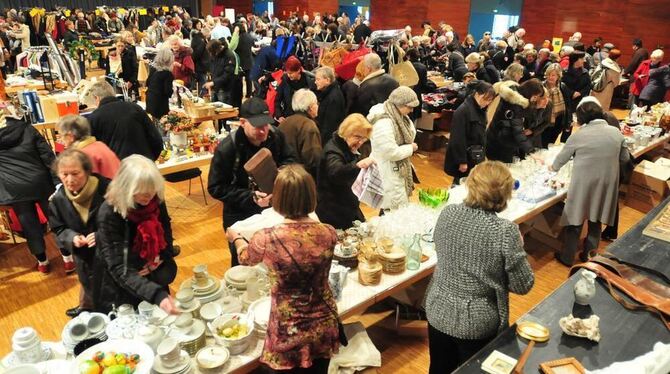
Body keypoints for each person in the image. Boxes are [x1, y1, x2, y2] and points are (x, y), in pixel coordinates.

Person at [227, 165, 339, 373]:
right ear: (311, 194)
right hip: (324, 321)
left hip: (289, 326)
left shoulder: (266, 237)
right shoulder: (329, 232)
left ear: (278, 198)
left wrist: (237, 239)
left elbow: (245, 259)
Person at [426, 160, 534, 374]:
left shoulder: (448, 212)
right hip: (476, 321)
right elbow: (524, 285)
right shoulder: (505, 231)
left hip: (438, 308)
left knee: (439, 368)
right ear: (505, 194)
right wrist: (519, 250)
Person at [208, 98, 298, 266]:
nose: (264, 131)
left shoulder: (276, 135)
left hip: (273, 208)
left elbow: (291, 159)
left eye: (266, 124)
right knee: (243, 263)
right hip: (239, 214)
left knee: (273, 259)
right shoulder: (228, 148)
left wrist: (284, 170)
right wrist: (250, 197)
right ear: (242, 122)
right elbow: (215, 187)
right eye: (258, 126)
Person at [94, 155, 178, 314]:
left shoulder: (155, 198)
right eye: (143, 191)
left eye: (152, 189)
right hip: (126, 283)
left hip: (154, 274)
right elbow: (118, 266)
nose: (150, 196)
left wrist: (160, 257)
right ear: (126, 187)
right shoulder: (109, 212)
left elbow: (166, 229)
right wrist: (158, 296)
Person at [550, 99, 629, 266]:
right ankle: (589, 256)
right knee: (596, 220)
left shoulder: (579, 135)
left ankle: (567, 257)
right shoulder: (616, 133)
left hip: (583, 183)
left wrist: (551, 169)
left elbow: (559, 161)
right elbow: (625, 158)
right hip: (606, 184)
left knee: (575, 220)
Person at [0, 109, 64, 273]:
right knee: (56, 219)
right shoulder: (27, 128)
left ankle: (43, 262)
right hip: (41, 182)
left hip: (15, 188)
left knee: (29, 226)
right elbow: (48, 156)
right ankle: (68, 258)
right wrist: (57, 181)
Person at [49, 150, 110, 317]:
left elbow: (125, 221)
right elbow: (58, 227)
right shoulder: (58, 200)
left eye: (75, 173)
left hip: (112, 255)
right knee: (93, 294)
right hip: (85, 259)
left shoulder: (107, 190)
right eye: (64, 174)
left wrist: (100, 235)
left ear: (87, 170)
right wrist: (71, 237)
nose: (70, 180)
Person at [316, 114, 374, 229]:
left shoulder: (347, 147)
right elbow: (336, 173)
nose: (360, 142)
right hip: (333, 211)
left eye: (363, 139)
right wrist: (358, 165)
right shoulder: (333, 151)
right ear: (346, 132)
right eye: (357, 137)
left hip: (347, 205)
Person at [368, 86, 420, 211]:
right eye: (410, 107)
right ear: (399, 104)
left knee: (395, 208)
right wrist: (410, 148)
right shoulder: (383, 122)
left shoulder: (398, 116)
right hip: (388, 170)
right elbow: (390, 152)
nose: (412, 110)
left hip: (396, 169)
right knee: (391, 209)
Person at [87, 80, 164, 161]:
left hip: (118, 169)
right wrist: (150, 160)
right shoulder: (135, 108)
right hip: (144, 164)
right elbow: (156, 139)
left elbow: (92, 153)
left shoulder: (94, 118)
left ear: (97, 98)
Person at [444, 81, 496, 183]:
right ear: (477, 94)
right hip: (465, 156)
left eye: (490, 100)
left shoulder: (480, 109)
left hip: (474, 155)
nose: (487, 103)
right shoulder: (463, 111)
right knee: (460, 184)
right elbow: (457, 138)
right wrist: (462, 161)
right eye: (485, 99)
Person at [486, 79, 545, 163]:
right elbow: (518, 132)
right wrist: (531, 151)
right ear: (529, 92)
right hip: (500, 145)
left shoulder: (514, 97)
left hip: (497, 139)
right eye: (535, 97)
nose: (535, 100)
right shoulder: (515, 105)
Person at [57, 115, 120, 179]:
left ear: (70, 136)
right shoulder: (99, 144)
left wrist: (59, 148)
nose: (61, 139)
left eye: (61, 135)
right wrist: (59, 147)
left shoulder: (81, 155)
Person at [279, 89, 322, 179]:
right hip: (301, 179)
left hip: (283, 177)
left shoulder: (284, 122)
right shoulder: (309, 126)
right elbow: (313, 160)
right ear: (310, 107)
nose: (317, 106)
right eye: (316, 103)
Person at [274, 56, 316, 121]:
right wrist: (279, 115)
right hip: (289, 117)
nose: (289, 75)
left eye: (291, 73)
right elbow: (277, 100)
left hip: (305, 119)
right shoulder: (285, 81)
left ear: (298, 70)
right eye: (287, 73)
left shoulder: (309, 82)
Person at [204, 38, 242, 108]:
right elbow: (212, 67)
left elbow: (228, 74)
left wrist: (214, 82)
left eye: (211, 52)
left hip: (225, 88)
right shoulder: (214, 54)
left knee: (223, 111)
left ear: (217, 49)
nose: (210, 54)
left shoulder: (229, 55)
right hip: (215, 87)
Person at [541, 63, 573, 147]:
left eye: (553, 75)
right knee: (542, 144)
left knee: (551, 143)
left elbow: (568, 106)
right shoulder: (541, 87)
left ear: (558, 76)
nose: (550, 77)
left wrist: (568, 122)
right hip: (544, 121)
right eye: (548, 75)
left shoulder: (563, 87)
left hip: (559, 120)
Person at [561, 51, 591, 138]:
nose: (583, 60)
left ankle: (565, 142)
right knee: (562, 122)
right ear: (575, 60)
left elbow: (588, 86)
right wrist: (572, 92)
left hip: (578, 101)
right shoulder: (565, 72)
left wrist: (580, 93)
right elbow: (562, 85)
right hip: (566, 100)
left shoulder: (585, 72)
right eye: (581, 58)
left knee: (571, 123)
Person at [314, 66, 346, 145]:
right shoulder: (329, 93)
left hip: (328, 142)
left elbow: (329, 127)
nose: (315, 82)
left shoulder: (333, 98)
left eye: (318, 79)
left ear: (327, 80)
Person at [145, 47, 175, 120]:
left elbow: (147, 83)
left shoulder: (153, 69)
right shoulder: (167, 74)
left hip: (150, 99)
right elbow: (168, 91)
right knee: (161, 123)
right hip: (160, 104)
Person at [190, 19, 210, 94]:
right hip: (200, 65)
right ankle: (202, 97)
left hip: (199, 65)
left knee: (198, 82)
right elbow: (197, 53)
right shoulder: (201, 40)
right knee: (202, 83)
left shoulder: (197, 38)